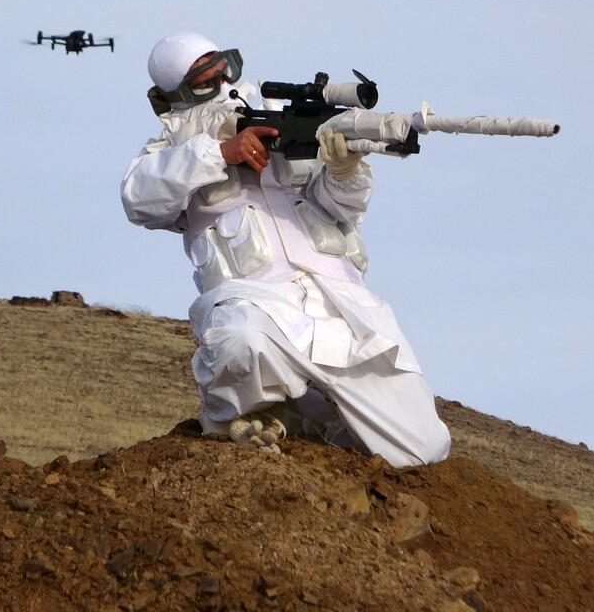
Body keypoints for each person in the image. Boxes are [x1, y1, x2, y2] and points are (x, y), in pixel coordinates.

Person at [120, 32, 450, 467]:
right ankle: (237, 419)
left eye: (226, 68)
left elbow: (342, 208)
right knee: (240, 343)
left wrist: (345, 168)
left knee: (422, 449)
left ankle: (315, 427)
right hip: (254, 301)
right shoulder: (169, 152)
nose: (222, 82)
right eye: (205, 78)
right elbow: (139, 198)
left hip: (339, 303)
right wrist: (221, 152)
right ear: (175, 93)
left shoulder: (286, 118)